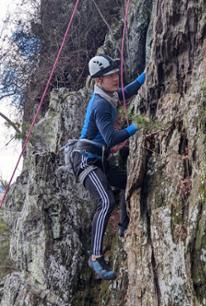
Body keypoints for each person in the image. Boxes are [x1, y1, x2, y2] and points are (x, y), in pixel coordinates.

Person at [72, 54, 145, 280]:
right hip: (85, 160)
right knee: (106, 200)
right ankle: (95, 257)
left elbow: (125, 92)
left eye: (115, 73)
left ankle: (123, 227)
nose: (115, 77)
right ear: (98, 81)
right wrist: (136, 127)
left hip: (98, 160)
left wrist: (145, 76)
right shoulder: (101, 104)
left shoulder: (108, 95)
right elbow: (111, 138)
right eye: (109, 76)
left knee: (126, 182)